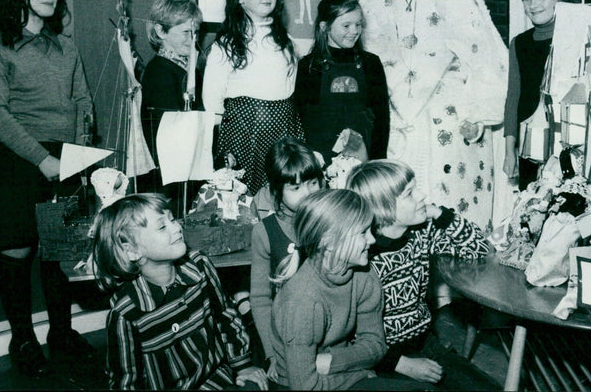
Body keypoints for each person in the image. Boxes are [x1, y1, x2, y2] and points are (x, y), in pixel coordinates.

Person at [347, 0, 508, 230]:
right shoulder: (372, 1)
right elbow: (358, 63)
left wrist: (476, 113)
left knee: (446, 214)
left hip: (446, 124)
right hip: (391, 127)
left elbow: (485, 57)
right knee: (394, 212)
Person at [0, 0, 95, 376]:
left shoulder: (66, 46)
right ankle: (22, 338)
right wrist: (42, 159)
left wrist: (77, 154)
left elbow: (83, 102)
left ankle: (61, 333)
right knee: (18, 247)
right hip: (19, 159)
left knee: (59, 251)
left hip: (66, 158)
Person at [90, 193, 268, 390]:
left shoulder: (200, 266)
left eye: (172, 219)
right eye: (162, 226)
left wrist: (242, 366)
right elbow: (125, 381)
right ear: (132, 251)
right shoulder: (126, 313)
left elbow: (225, 315)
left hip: (217, 379)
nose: (177, 227)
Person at [347, 159, 497, 389]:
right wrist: (400, 364)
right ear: (383, 206)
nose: (421, 196)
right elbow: (349, 336)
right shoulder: (364, 255)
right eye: (409, 193)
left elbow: (480, 248)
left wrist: (439, 214)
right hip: (379, 359)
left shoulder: (420, 232)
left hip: (425, 344)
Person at [270, 189, 424, 390]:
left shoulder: (363, 274)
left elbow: (376, 346)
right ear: (330, 242)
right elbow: (304, 385)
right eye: (362, 233)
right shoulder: (302, 302)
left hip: (340, 371)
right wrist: (359, 373)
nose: (372, 240)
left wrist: (331, 362)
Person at [203, 0, 303, 194]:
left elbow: (289, 87)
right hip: (243, 131)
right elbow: (212, 101)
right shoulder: (226, 44)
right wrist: (222, 146)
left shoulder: (286, 41)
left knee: (283, 192)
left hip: (283, 128)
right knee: (243, 199)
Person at [249, 136, 324, 383]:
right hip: (286, 339)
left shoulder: (330, 221)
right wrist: (272, 355)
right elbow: (260, 299)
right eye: (295, 188)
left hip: (329, 336)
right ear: (276, 190)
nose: (308, 194)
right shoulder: (264, 232)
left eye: (313, 183)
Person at [503, 0, 580, 191]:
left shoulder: (578, 37)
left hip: (570, 145)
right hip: (530, 149)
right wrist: (510, 151)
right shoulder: (519, 43)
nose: (533, 5)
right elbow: (512, 99)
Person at [294, 0, 389, 165]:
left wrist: (376, 163)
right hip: (322, 158)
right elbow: (302, 120)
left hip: (364, 157)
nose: (354, 31)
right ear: (325, 27)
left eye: (358, 24)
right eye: (346, 26)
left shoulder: (371, 64)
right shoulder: (309, 66)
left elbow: (382, 120)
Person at [140, 0, 203, 197]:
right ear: (160, 31)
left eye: (196, 32)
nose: (193, 39)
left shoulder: (192, 70)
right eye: (186, 32)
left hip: (191, 169)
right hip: (170, 179)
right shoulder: (158, 72)